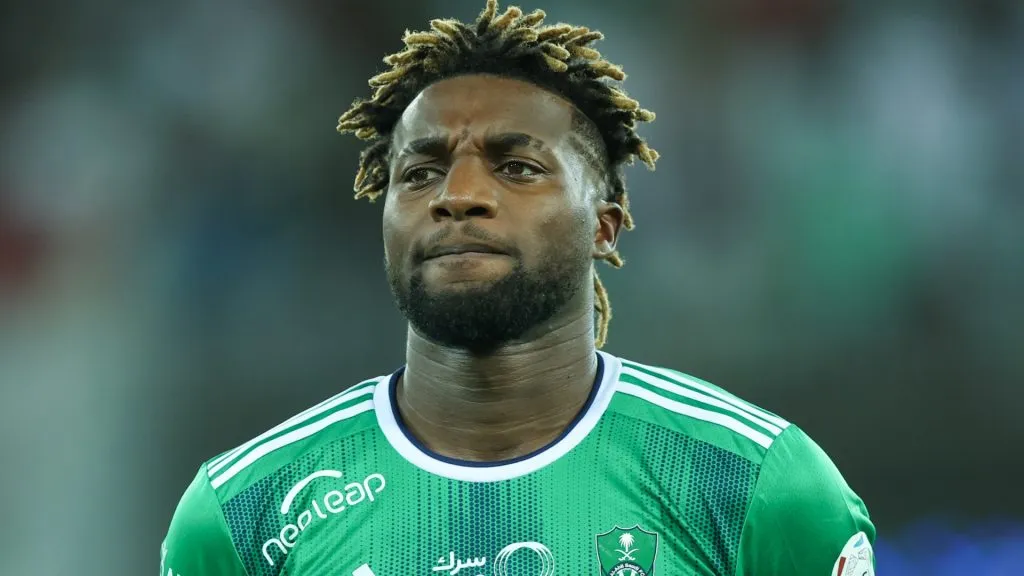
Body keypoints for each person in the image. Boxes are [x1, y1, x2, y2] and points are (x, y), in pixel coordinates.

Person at [161, 2, 875, 575]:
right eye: (419, 173)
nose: (459, 195)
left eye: (517, 167)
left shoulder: (755, 485)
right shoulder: (243, 517)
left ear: (605, 227)